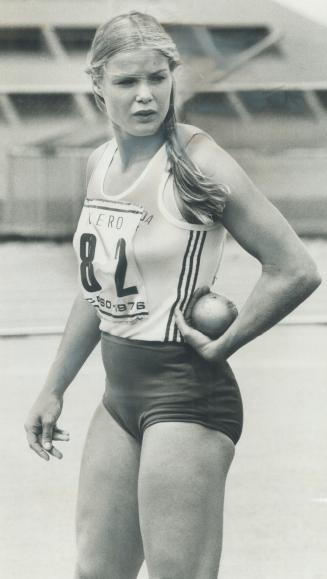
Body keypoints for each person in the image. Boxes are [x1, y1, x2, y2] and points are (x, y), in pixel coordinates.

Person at [24, 11, 321, 579]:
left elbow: (294, 267)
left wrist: (224, 344)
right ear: (97, 85)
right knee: (97, 571)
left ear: (172, 80)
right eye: (127, 82)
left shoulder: (198, 162)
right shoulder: (100, 163)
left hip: (186, 393)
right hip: (120, 393)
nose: (144, 97)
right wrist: (53, 388)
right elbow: (98, 290)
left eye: (157, 79)